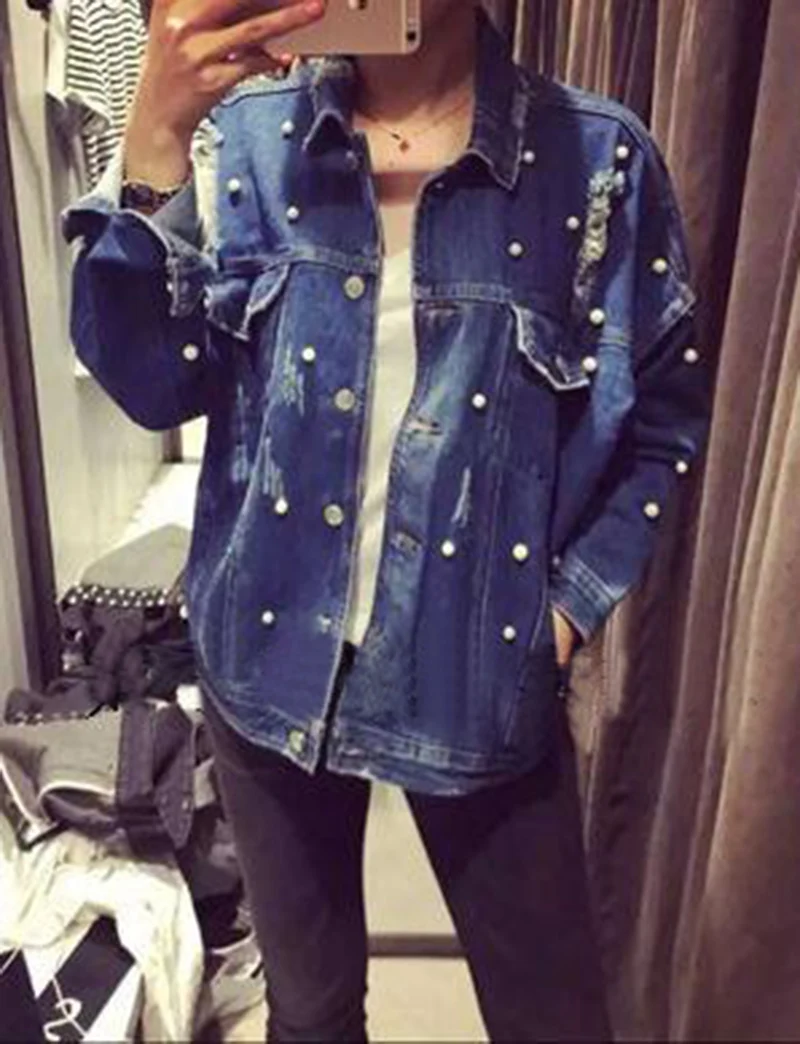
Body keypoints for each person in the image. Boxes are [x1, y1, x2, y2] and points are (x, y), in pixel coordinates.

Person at [63, 0, 711, 1038]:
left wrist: (565, 609)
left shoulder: (595, 165)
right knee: (312, 1017)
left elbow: (663, 421)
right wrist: (154, 147)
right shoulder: (243, 140)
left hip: (479, 678)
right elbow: (152, 385)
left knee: (552, 1021)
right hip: (263, 661)